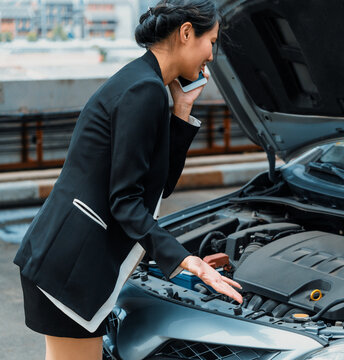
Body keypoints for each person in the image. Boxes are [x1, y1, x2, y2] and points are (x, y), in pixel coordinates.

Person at [13, 0, 242, 358]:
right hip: (71, 268)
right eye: (210, 41)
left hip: (66, 260)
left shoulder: (145, 82)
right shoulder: (144, 91)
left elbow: (157, 187)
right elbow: (126, 202)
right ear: (186, 33)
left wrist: (181, 112)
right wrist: (186, 260)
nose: (211, 55)